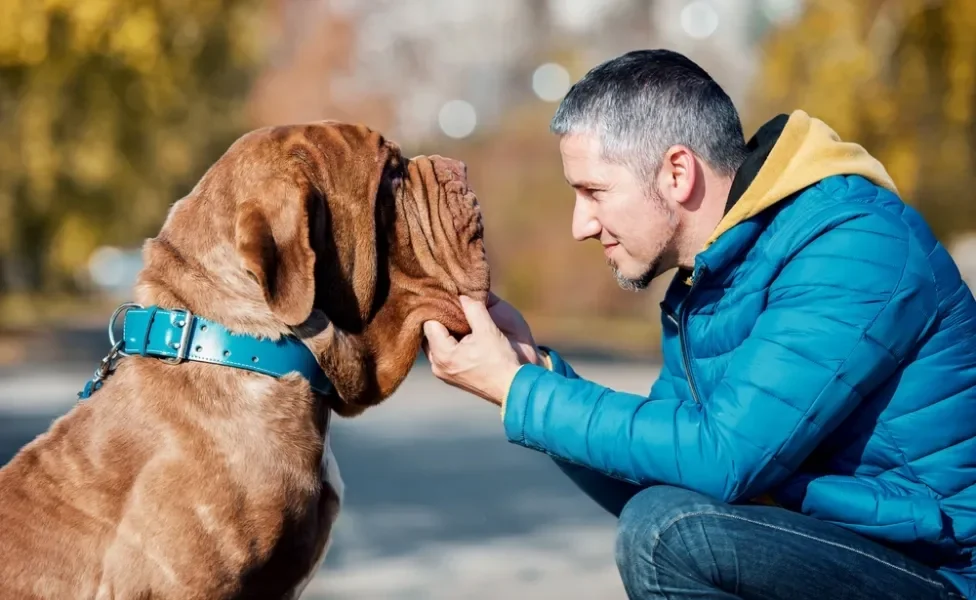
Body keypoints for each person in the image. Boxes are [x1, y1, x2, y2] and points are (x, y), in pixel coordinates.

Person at [421, 48, 976, 600]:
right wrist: (531, 368)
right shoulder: (709, 281)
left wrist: (522, 393)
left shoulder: (851, 246)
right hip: (849, 551)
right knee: (664, 516)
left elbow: (722, 458)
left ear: (677, 172)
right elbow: (671, 468)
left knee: (668, 532)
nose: (580, 225)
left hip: (939, 572)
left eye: (594, 191)